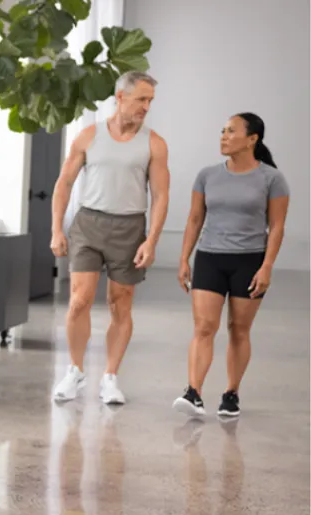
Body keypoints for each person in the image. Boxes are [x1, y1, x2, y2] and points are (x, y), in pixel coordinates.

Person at [50, 71, 170, 405]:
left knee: (120, 303)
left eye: (150, 101)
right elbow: (64, 184)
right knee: (79, 301)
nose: (146, 107)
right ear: (120, 97)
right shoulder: (89, 136)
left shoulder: (154, 143)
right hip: (88, 224)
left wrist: (152, 241)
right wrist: (56, 229)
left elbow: (160, 196)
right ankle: (74, 371)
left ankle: (110, 377)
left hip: (130, 228)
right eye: (141, 99)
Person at [173, 113, 289, 418]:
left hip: (249, 261)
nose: (224, 136)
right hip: (210, 257)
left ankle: (231, 393)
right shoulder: (207, 175)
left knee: (239, 329)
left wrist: (267, 267)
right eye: (222, 130)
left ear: (252, 139)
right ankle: (193, 392)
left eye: (231, 131)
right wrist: (184, 258)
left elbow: (276, 227)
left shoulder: (271, 179)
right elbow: (195, 218)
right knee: (204, 327)